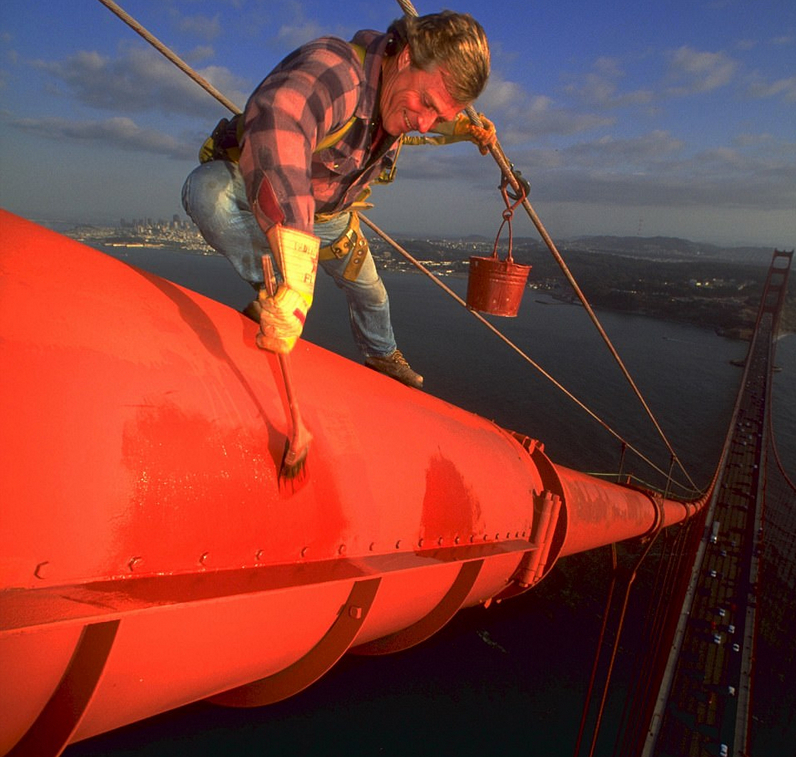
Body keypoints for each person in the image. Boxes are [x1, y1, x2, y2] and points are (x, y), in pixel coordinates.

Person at [182, 11, 494, 389]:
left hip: (332, 216)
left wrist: (465, 128)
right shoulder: (336, 71)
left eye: (439, 114)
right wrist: (296, 278)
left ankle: (382, 354)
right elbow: (282, 120)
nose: (425, 123)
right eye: (426, 103)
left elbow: (433, 115)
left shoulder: (403, 93)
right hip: (282, 204)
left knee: (373, 295)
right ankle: (274, 291)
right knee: (207, 193)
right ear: (408, 56)